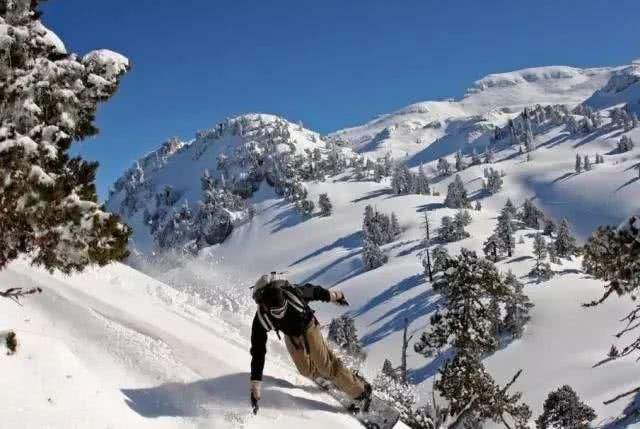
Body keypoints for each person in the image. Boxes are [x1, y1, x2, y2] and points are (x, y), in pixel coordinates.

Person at [249, 273, 372, 414]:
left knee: (326, 365)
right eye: (276, 312)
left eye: (282, 308)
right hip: (291, 335)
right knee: (305, 370)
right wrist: (255, 385)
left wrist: (336, 296)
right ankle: (330, 378)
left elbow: (315, 291)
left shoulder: (294, 294)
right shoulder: (261, 319)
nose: (280, 313)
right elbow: (258, 352)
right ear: (266, 307)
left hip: (308, 326)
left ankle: (361, 391)